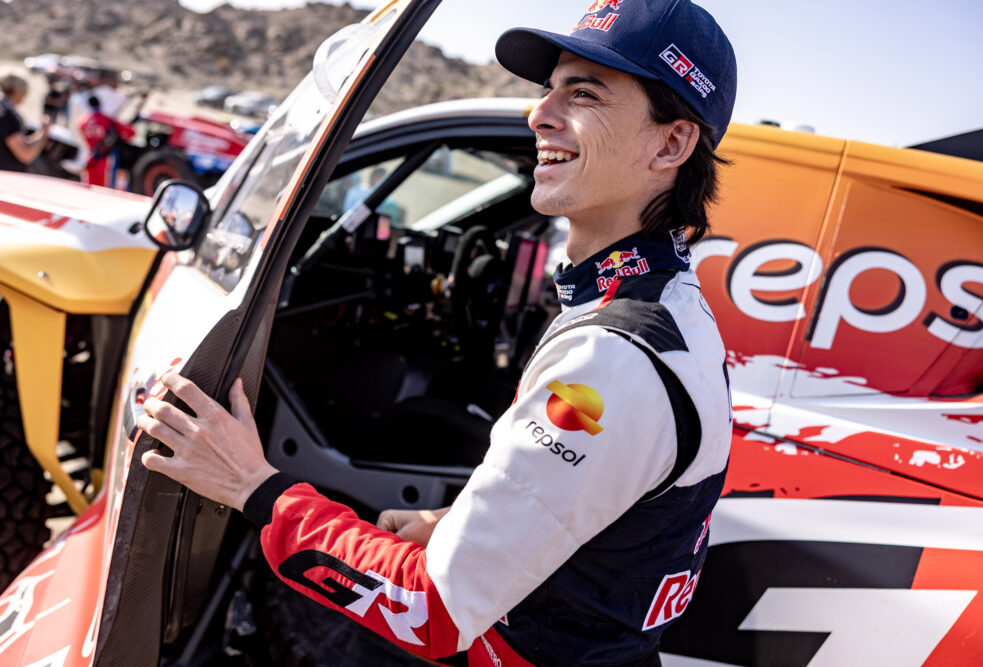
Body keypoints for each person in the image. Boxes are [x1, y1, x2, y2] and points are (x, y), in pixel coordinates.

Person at [138, 1, 737, 664]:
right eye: (548, 90)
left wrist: (254, 485)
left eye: (584, 92)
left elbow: (429, 612)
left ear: (671, 144)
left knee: (278, 607)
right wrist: (459, 524)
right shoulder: (668, 304)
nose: (539, 114)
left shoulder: (611, 355)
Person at [77, 94, 135, 189]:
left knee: (89, 188)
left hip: (90, 157)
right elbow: (130, 132)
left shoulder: (81, 121)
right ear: (100, 104)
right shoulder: (107, 119)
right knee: (104, 189)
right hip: (106, 159)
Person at [0, 74, 50, 172]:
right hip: (8, 178)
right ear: (19, 92)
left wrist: (41, 133)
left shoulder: (4, 109)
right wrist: (44, 133)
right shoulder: (7, 115)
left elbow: (22, 142)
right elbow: (25, 154)